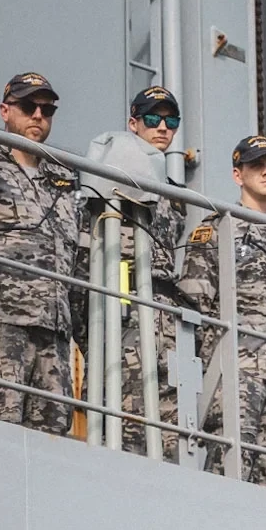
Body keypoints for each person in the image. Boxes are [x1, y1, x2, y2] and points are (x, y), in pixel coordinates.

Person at [0, 72, 85, 433]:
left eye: (47, 110)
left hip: (54, 329)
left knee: (52, 438)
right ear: (5, 110)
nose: (38, 116)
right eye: (29, 106)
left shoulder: (62, 176)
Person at [178, 135, 266, 488]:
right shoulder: (218, 228)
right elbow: (192, 304)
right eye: (256, 165)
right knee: (230, 473)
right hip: (236, 371)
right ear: (237, 174)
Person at [109, 86, 193, 458]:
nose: (162, 127)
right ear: (133, 124)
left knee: (173, 437)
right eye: (152, 119)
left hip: (166, 320)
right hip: (124, 305)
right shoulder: (110, 178)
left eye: (170, 120)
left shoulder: (177, 195)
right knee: (126, 428)